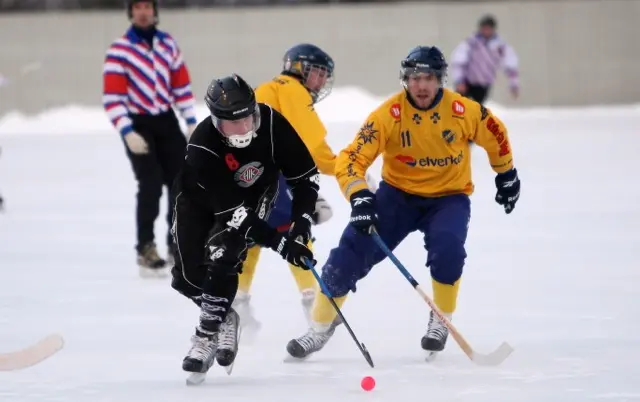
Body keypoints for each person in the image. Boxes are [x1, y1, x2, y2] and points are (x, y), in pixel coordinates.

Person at [286, 45, 521, 360]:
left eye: (428, 78)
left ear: (440, 80)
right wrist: (359, 197)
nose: (421, 86)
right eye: (413, 78)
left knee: (448, 249)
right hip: (397, 197)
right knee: (347, 255)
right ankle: (319, 328)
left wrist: (506, 173)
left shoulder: (463, 111)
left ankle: (441, 318)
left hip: (448, 198)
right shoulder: (389, 114)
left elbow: (496, 133)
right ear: (405, 80)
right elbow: (351, 160)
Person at [170, 73, 320, 375]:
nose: (242, 129)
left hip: (255, 194)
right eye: (231, 124)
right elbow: (234, 213)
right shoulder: (203, 144)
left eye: (247, 120)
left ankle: (206, 332)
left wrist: (301, 223)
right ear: (216, 121)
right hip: (199, 199)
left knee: (224, 253)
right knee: (184, 276)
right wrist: (280, 244)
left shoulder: (273, 124)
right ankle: (226, 316)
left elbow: (306, 177)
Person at [234, 43, 378, 334]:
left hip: (241, 172)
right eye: (318, 73)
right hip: (267, 174)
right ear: (299, 67)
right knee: (294, 228)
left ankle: (238, 304)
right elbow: (313, 147)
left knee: (250, 234)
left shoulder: (268, 87)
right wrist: (348, 170)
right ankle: (312, 302)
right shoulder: (293, 89)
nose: (322, 80)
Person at [102, 0, 198, 277]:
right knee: (151, 183)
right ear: (131, 12)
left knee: (181, 181)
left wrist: (190, 120)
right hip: (137, 122)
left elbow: (181, 85)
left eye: (147, 7)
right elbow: (113, 97)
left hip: (165, 119)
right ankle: (146, 246)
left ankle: (176, 243)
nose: (143, 12)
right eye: (137, 7)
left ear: (154, 12)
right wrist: (126, 130)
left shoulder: (168, 44)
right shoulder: (120, 50)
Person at [450, 15, 519, 105]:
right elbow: (459, 61)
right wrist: (459, 80)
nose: (486, 31)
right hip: (467, 82)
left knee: (477, 109)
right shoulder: (472, 42)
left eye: (488, 28)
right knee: (461, 107)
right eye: (484, 28)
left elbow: (510, 64)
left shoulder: (499, 45)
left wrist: (513, 84)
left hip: (484, 83)